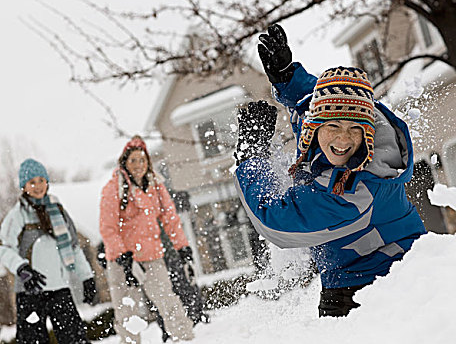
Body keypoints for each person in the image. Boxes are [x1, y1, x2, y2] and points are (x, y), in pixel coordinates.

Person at [233, 24, 426, 317]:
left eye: (354, 130)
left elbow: (274, 222)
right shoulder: (349, 129)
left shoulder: (354, 194)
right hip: (355, 271)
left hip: (380, 282)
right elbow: (325, 101)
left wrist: (251, 154)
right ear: (315, 125)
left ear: (368, 134)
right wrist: (288, 78)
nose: (342, 140)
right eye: (332, 127)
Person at [99, 135, 195, 343]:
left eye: (142, 160)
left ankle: (185, 339)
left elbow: (171, 220)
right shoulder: (113, 189)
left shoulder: (156, 187)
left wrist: (182, 246)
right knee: (128, 313)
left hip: (151, 257)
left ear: (148, 162)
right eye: (133, 160)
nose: (138, 165)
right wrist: (123, 258)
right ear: (124, 162)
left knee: (168, 302)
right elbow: (108, 228)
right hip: (122, 260)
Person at [0, 158, 97, 343]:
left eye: (41, 180)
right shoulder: (18, 214)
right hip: (30, 290)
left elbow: (73, 247)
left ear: (47, 182)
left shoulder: (57, 210)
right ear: (24, 186)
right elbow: (4, 248)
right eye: (32, 182)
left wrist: (87, 277)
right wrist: (22, 269)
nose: (38, 186)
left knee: (75, 339)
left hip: (59, 288)